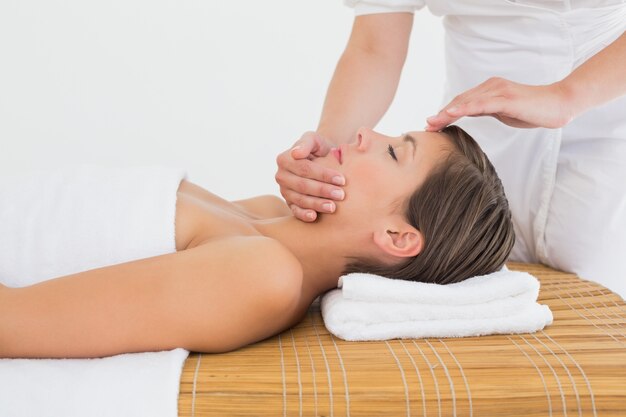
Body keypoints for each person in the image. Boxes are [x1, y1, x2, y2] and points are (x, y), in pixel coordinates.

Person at [0, 125, 514, 359]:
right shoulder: (267, 216)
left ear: (398, 237)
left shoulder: (263, 276)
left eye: (394, 154)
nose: (364, 135)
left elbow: (15, 324)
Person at [275, 0, 626, 298]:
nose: (365, 135)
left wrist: (565, 96)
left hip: (603, 119)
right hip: (470, 152)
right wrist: (329, 148)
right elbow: (374, 47)